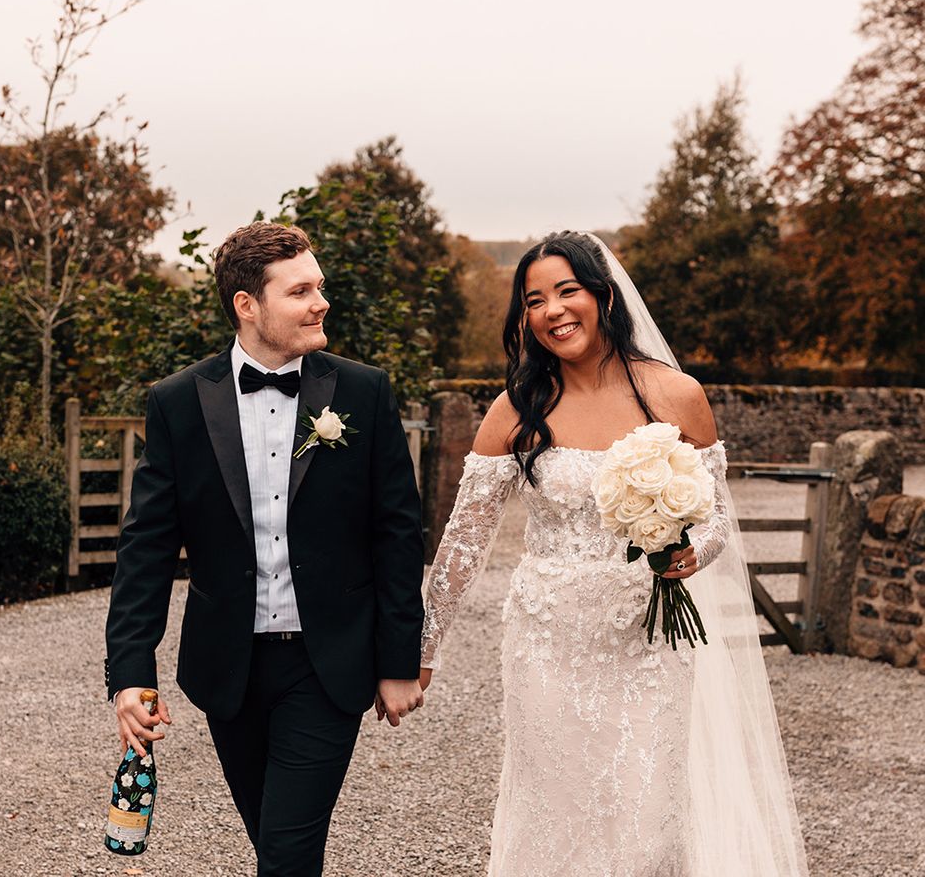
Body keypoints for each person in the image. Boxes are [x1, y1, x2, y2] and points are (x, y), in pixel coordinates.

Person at [420, 231, 808, 876]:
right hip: (548, 643)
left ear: (602, 295)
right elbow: (463, 542)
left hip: (649, 644)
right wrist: (419, 648)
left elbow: (714, 519)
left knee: (647, 820)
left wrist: (689, 556)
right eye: (533, 300)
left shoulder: (678, 395)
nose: (552, 311)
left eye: (567, 291)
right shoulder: (516, 408)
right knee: (556, 814)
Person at [105, 221, 425, 876]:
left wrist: (400, 660)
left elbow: (397, 532)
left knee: (285, 851)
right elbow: (147, 545)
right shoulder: (178, 403)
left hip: (328, 661)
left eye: (321, 287)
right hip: (229, 668)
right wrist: (130, 672)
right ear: (247, 306)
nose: (321, 302)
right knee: (272, 843)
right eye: (300, 291)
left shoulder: (363, 392)